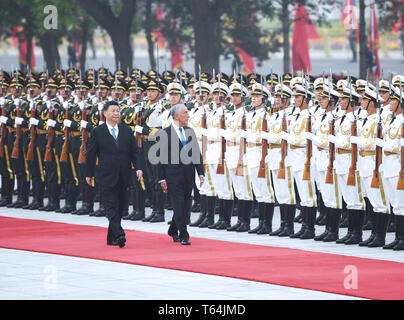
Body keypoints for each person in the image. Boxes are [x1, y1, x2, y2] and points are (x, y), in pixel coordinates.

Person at [86, 100, 144, 248]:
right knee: (111, 206)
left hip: (124, 174)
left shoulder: (126, 130)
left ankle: (111, 238)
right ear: (104, 113)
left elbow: (135, 152)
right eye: (113, 111)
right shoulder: (97, 132)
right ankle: (119, 234)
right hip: (106, 175)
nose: (116, 113)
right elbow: (90, 155)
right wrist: (89, 173)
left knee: (121, 207)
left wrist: (138, 167)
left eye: (118, 111)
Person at [158, 104, 205, 245]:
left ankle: (173, 229)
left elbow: (196, 153)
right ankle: (184, 234)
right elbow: (161, 158)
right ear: (176, 116)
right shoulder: (165, 133)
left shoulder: (189, 131)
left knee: (185, 205)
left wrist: (200, 173)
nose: (188, 115)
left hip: (188, 173)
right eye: (185, 113)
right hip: (173, 175)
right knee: (178, 204)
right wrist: (162, 178)